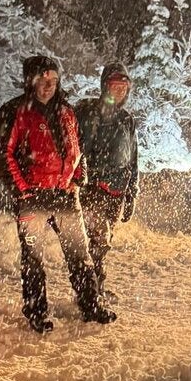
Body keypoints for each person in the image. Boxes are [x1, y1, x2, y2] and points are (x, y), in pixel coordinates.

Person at [0, 54, 115, 330]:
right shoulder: (14, 111)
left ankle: (90, 304)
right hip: (32, 197)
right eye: (43, 80)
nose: (49, 86)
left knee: (79, 252)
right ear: (30, 81)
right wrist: (22, 191)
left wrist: (78, 177)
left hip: (65, 194)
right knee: (33, 256)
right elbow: (3, 154)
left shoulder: (65, 111)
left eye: (54, 80)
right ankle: (36, 311)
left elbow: (77, 147)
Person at [74, 62, 140, 302]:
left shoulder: (126, 119)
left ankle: (96, 287)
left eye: (124, 87)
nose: (119, 91)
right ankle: (90, 292)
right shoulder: (90, 113)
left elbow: (133, 158)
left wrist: (132, 191)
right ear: (104, 86)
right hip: (93, 188)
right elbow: (81, 152)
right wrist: (90, 180)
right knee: (95, 240)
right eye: (114, 86)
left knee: (103, 241)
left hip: (117, 190)